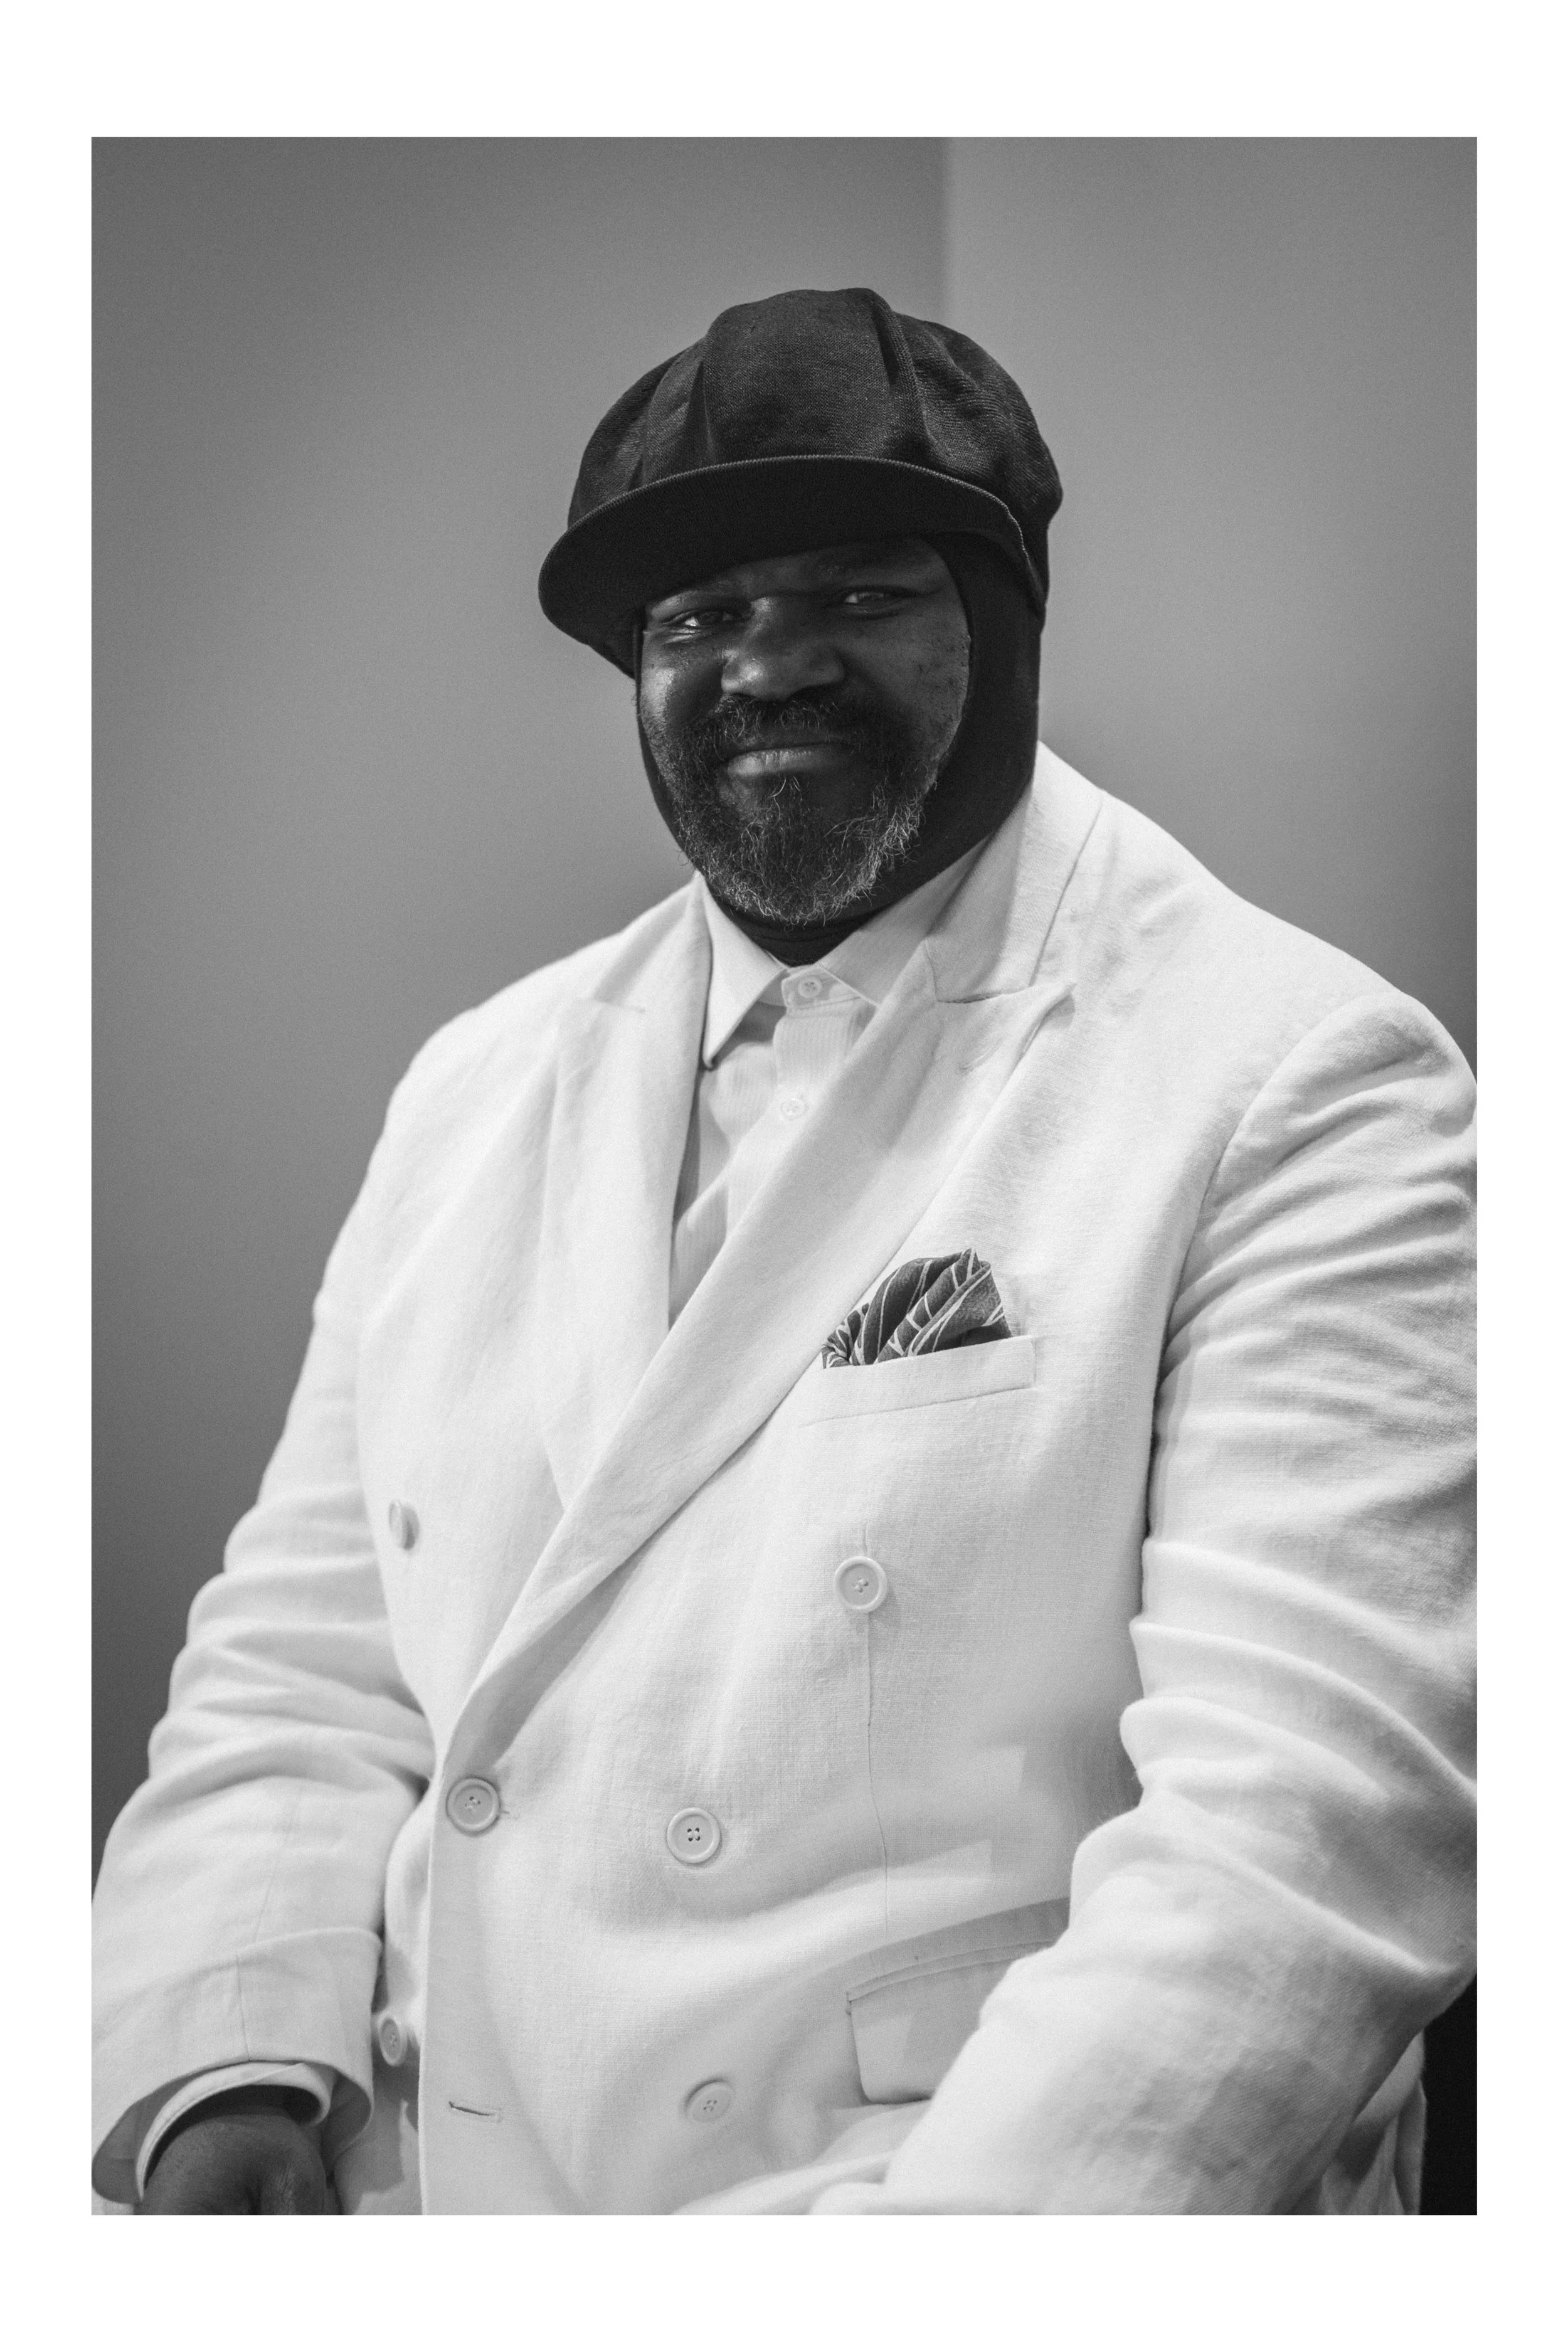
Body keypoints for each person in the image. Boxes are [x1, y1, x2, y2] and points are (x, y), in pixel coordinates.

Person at [92, 286, 1475, 2215]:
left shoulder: (1297, 1078)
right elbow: (302, 1665)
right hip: (421, 2178)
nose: (767, 664)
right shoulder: (474, 1082)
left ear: (1008, 616)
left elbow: (1298, 1833)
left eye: (859, 592)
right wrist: (222, 2069)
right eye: (697, 617)